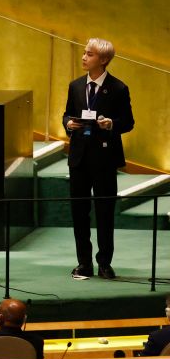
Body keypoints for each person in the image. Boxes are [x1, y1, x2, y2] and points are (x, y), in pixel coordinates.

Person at [62, 38, 134, 280]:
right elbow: (66, 114)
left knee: (104, 213)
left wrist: (111, 123)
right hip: (79, 158)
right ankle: (83, 263)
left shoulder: (118, 88)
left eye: (89, 54)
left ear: (103, 60)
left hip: (104, 159)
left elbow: (128, 122)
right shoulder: (75, 85)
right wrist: (68, 124)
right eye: (84, 53)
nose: (83, 57)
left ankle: (104, 262)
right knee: (79, 213)